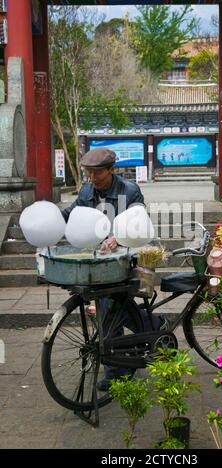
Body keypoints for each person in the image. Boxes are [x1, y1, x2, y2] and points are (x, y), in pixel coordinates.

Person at [62, 147, 167, 390]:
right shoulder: (87, 190)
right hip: (100, 260)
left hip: (126, 258)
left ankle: (117, 371)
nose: (92, 178)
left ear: (111, 170)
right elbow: (74, 213)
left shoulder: (129, 191)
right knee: (111, 307)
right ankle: (153, 325)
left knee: (108, 309)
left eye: (97, 173)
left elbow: (138, 223)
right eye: (88, 173)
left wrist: (118, 238)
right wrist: (55, 219)